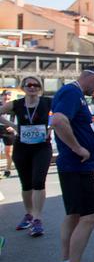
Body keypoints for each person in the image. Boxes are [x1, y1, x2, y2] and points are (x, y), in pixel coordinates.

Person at [51, 65, 94, 262]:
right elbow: (57, 121)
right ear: (93, 77)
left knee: (74, 215)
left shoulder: (74, 94)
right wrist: (78, 149)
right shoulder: (72, 92)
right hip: (76, 165)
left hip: (76, 165)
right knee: (90, 215)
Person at [0, 77, 52, 237]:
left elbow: (64, 114)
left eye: (36, 85)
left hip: (42, 147)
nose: (32, 87)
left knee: (38, 181)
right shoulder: (16, 104)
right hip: (22, 147)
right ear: (23, 87)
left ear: (40, 87)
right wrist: (13, 126)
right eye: (29, 85)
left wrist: (52, 126)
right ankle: (29, 214)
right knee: (26, 184)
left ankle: (37, 219)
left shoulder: (47, 102)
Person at [0, 90, 15, 178]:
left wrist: (13, 127)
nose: (6, 98)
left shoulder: (13, 107)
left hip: (8, 129)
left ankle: (8, 169)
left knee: (8, 152)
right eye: (4, 96)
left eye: (8, 97)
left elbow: (17, 118)